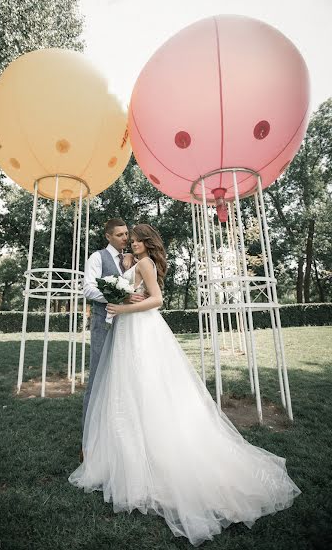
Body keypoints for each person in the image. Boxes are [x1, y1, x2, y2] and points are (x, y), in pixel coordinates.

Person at [69, 223, 302, 547]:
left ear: (147, 243)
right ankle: (132, 453)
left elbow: (157, 300)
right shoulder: (133, 263)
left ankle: (153, 455)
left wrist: (122, 305)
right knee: (128, 393)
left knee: (147, 389)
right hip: (128, 331)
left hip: (141, 330)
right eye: (130, 240)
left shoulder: (147, 264)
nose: (133, 244)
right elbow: (124, 288)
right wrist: (123, 283)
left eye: (137, 241)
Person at [80, 218, 146, 463]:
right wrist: (121, 296)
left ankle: (119, 442)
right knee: (97, 381)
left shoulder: (131, 258)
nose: (125, 238)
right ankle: (87, 443)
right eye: (119, 235)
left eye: (126, 233)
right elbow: (88, 289)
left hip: (128, 328)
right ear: (108, 236)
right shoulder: (97, 257)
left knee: (125, 383)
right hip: (103, 327)